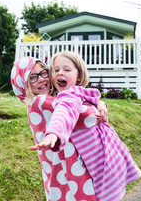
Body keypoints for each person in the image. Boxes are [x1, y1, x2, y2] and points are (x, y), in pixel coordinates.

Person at [31, 51, 141, 201]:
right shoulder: (66, 97)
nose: (60, 73)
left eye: (67, 69)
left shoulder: (78, 93)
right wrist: (54, 133)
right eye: (56, 70)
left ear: (79, 76)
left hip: (108, 154)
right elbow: (64, 112)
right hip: (98, 160)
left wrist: (100, 104)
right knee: (109, 194)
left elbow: (90, 104)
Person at [11, 56, 108, 201]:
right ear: (23, 84)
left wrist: (100, 103)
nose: (42, 79)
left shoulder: (51, 98)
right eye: (33, 78)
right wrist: (98, 106)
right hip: (65, 170)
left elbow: (74, 103)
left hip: (62, 168)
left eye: (44, 73)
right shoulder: (39, 102)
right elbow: (86, 115)